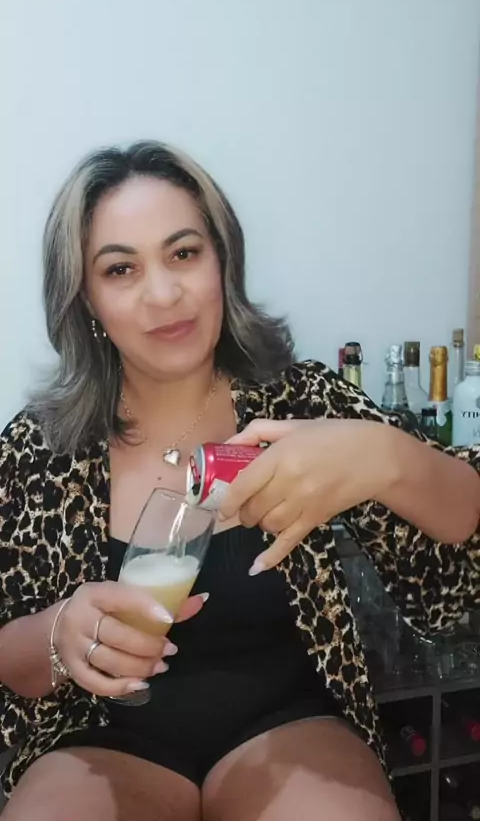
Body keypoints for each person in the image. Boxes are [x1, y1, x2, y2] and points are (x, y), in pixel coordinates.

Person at [0, 141, 479, 821]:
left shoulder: (301, 401)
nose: (164, 293)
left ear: (223, 259)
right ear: (86, 299)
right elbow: (10, 656)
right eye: (121, 269)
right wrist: (60, 635)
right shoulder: (39, 447)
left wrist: (386, 454)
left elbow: (460, 534)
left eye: (183, 253)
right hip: (97, 736)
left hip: (287, 726)